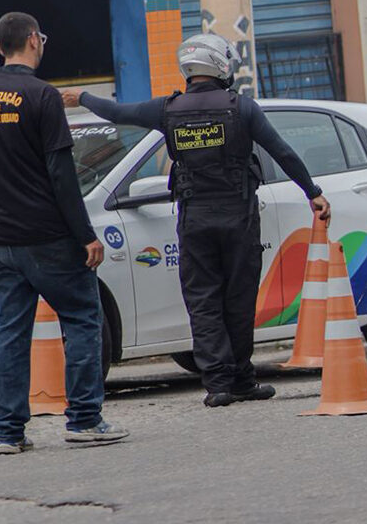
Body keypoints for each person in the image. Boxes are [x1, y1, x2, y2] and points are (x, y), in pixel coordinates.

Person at [63, 33, 330, 408]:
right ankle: (242, 380)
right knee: (238, 300)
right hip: (238, 218)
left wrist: (83, 98)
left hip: (195, 220)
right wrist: (312, 192)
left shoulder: (167, 109)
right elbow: (282, 152)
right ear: (220, 65)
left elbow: (118, 112)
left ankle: (218, 384)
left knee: (203, 301)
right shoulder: (243, 108)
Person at [0, 12, 129, 454]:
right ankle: (84, 420)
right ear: (33, 40)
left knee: (11, 333)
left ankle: (8, 432)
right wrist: (85, 234)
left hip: (2, 240)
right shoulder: (43, 96)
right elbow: (61, 174)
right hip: (50, 238)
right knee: (83, 319)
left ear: (0, 48)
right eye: (42, 38)